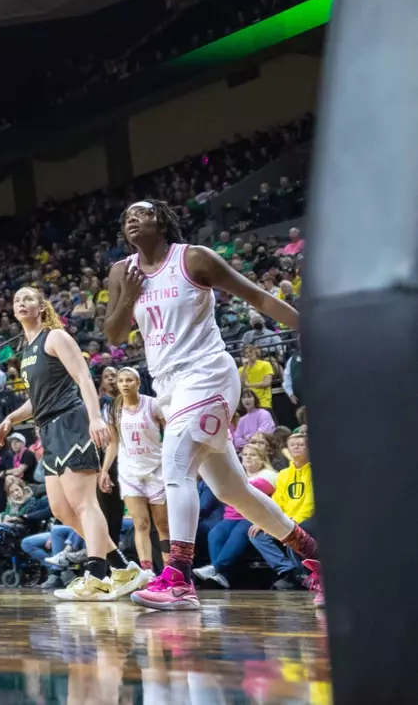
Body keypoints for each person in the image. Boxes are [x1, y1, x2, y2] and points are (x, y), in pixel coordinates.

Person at [105, 200, 319, 611]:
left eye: (143, 213)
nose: (132, 218)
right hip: (169, 386)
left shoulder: (193, 258)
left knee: (176, 463)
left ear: (162, 220)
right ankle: (317, 558)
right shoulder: (122, 272)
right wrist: (127, 295)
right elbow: (113, 335)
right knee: (232, 491)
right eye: (126, 215)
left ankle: (179, 577)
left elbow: (257, 296)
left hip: (207, 373)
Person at [0, 288, 143, 602]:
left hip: (71, 422)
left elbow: (83, 378)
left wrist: (95, 418)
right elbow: (36, 401)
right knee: (62, 510)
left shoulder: (55, 337)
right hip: (47, 430)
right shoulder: (28, 350)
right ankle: (123, 569)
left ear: (41, 306)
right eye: (16, 299)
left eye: (28, 299)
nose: (21, 303)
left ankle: (97, 576)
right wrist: (11, 417)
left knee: (84, 504)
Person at [102, 367, 168, 575]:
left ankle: (170, 571)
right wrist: (104, 471)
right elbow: (113, 443)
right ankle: (147, 572)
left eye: (129, 380)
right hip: (130, 470)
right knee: (140, 523)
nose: (124, 384)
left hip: (157, 468)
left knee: (162, 525)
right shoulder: (113, 409)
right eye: (121, 380)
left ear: (138, 383)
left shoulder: (153, 404)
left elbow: (171, 432)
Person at [194, 441, 278, 589]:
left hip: (253, 516)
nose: (248, 458)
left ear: (262, 458)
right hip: (232, 515)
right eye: (245, 455)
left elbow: (253, 490)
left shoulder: (269, 474)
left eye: (253, 455)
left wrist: (232, 485)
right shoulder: (238, 473)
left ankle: (216, 568)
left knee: (238, 533)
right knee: (215, 533)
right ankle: (221, 576)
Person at [250, 425, 317, 591]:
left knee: (293, 534)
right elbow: (277, 500)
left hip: (304, 519)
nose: (296, 447)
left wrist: (293, 522)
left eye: (301, 445)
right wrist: (266, 521)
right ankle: (290, 572)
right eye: (292, 445)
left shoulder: (314, 472)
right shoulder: (284, 474)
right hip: (286, 518)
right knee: (256, 534)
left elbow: (310, 502)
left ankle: (306, 575)